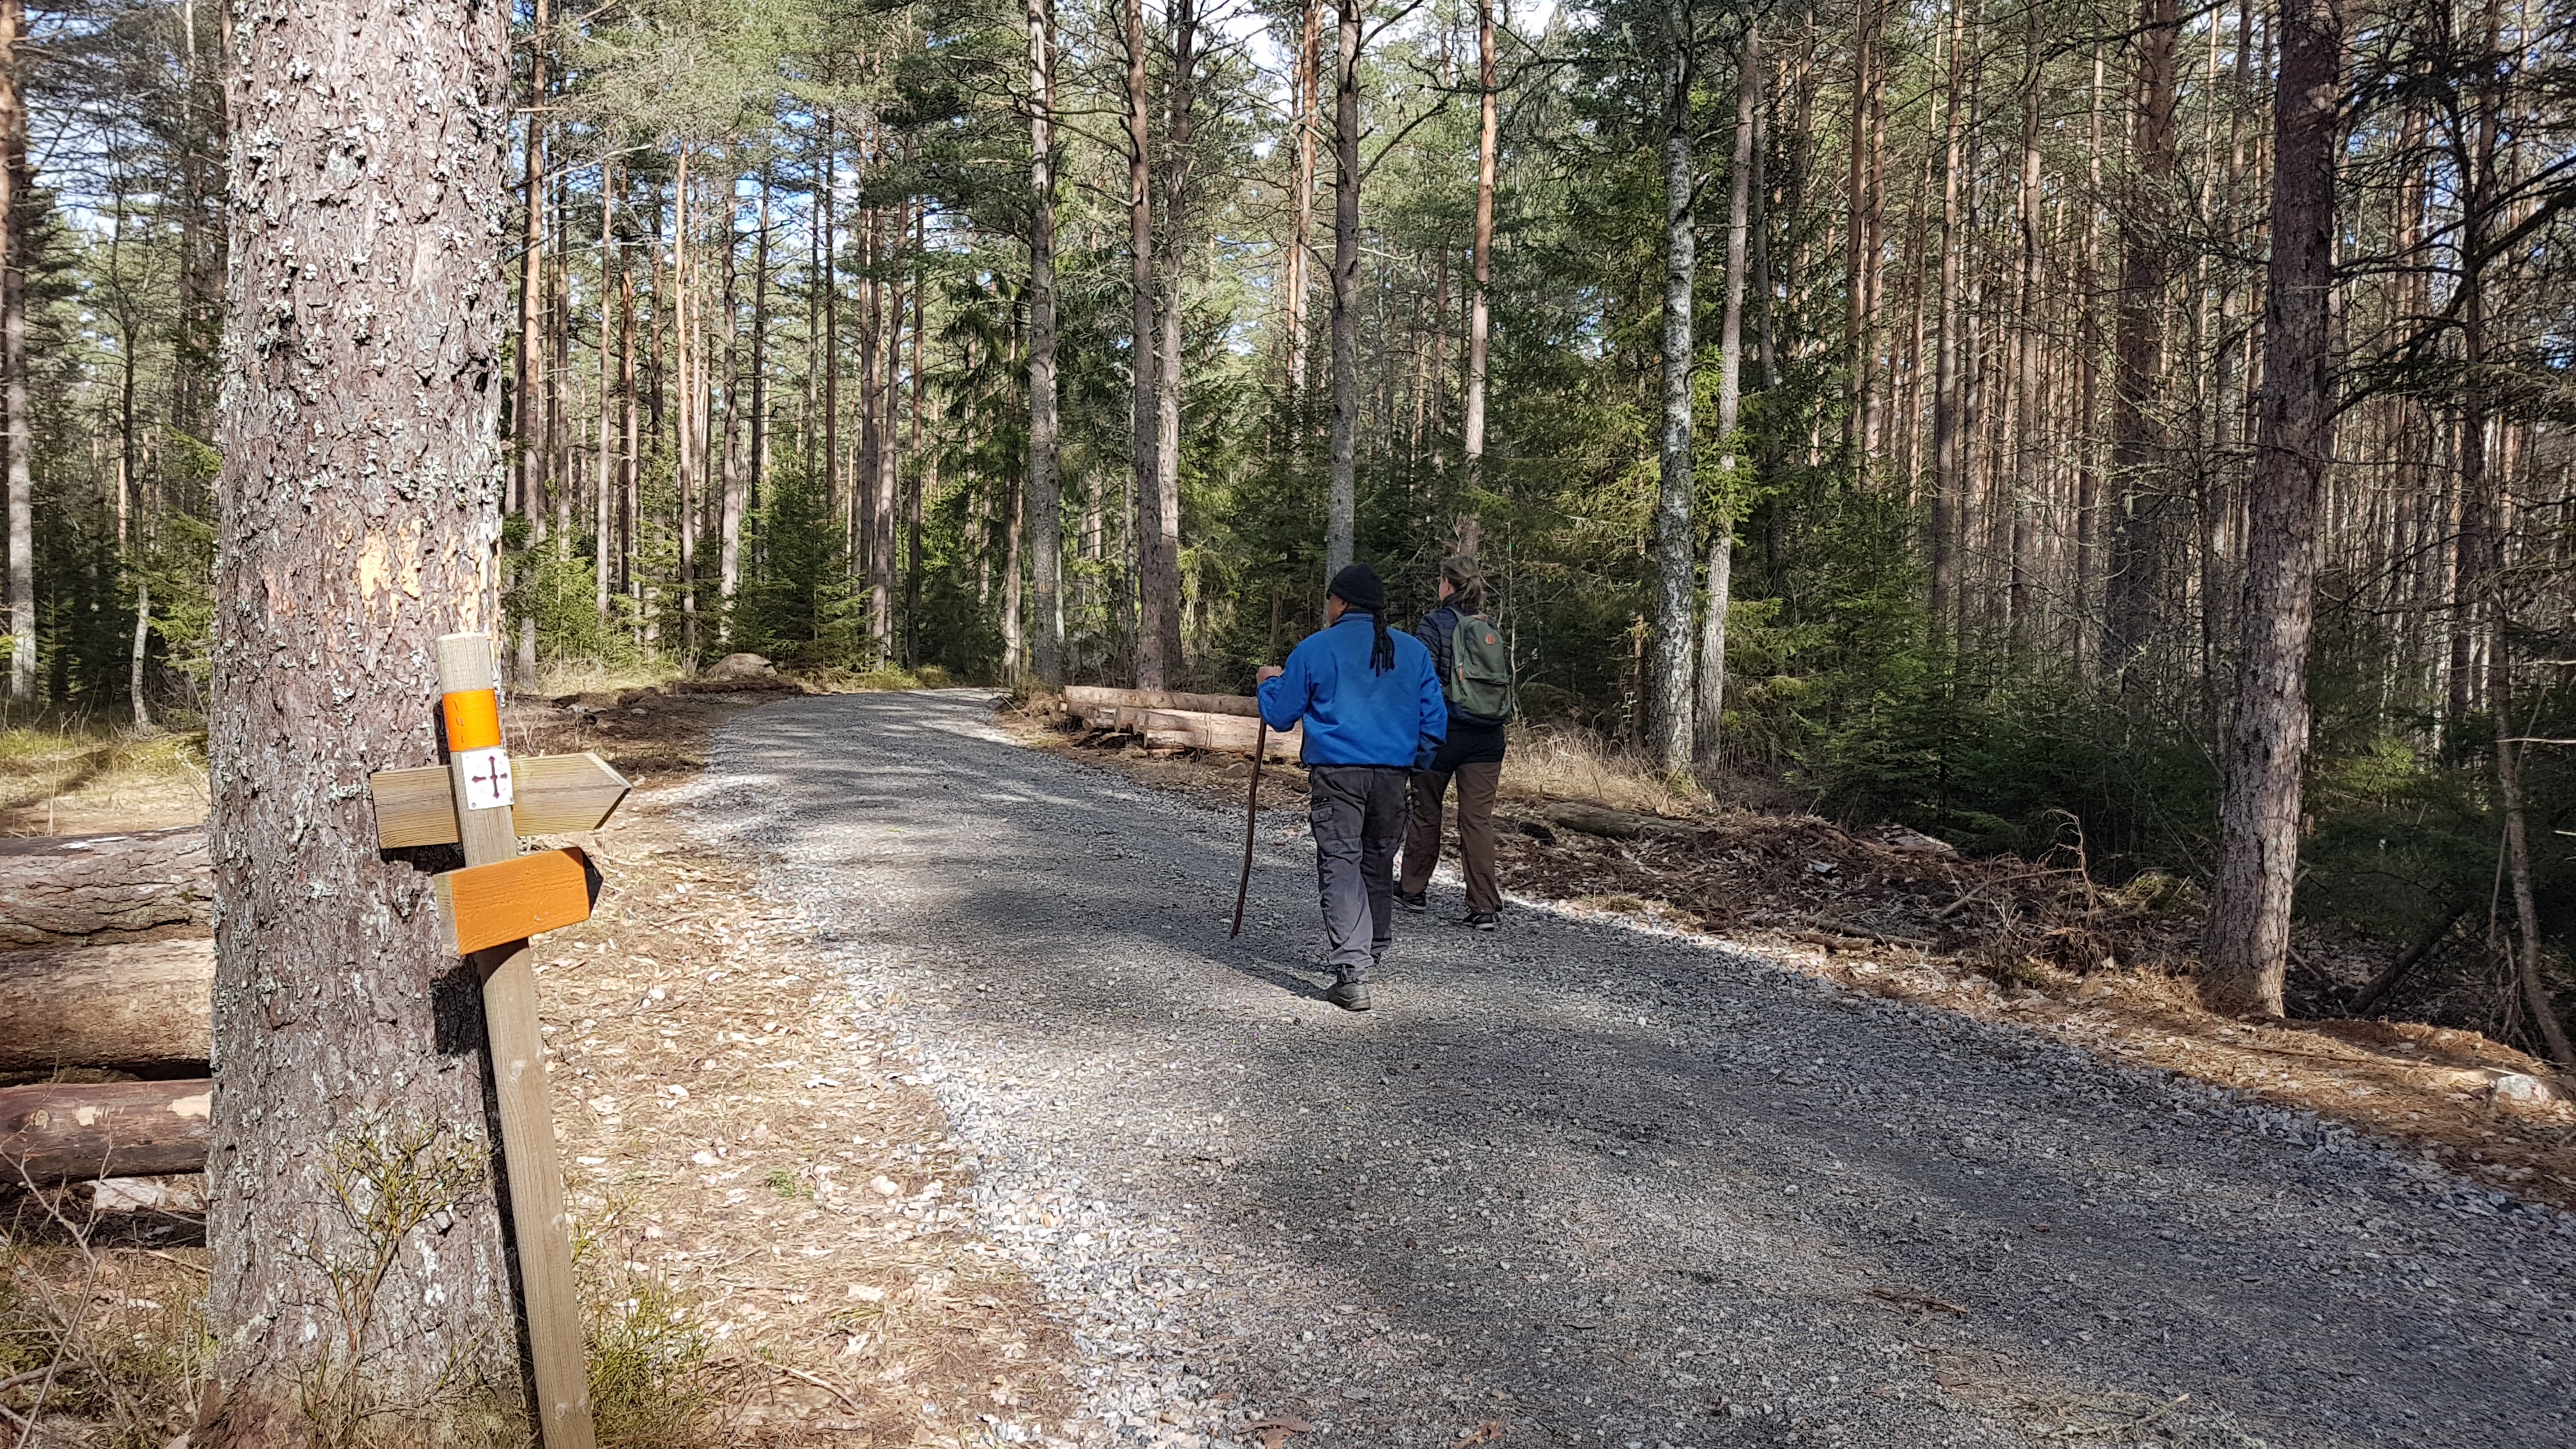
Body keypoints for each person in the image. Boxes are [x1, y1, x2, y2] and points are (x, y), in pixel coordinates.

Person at [1257, 564, 1448, 1012]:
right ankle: (1373, 946)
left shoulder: (1315, 649)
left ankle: (1351, 972)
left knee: (1341, 863)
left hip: (1338, 774)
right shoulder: (1413, 652)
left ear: (1340, 603)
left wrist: (1268, 683)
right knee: (1377, 861)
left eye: (1330, 601)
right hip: (1392, 773)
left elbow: (1281, 714)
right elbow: (1435, 722)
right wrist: (1412, 762)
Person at [1399, 555, 1511, 930]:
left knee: (1427, 811)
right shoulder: (1489, 627)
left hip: (1443, 734)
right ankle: (1484, 907)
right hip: (1488, 738)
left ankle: (1413, 890)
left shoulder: (1433, 624)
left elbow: (1422, 680)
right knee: (1477, 821)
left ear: (1447, 583)